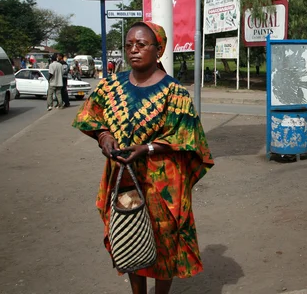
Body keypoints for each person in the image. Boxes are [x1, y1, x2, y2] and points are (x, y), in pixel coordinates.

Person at [72, 21, 214, 294]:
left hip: (162, 182)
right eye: (128, 45)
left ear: (158, 50)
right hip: (123, 175)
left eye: (141, 44)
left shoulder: (174, 92)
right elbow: (88, 115)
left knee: (163, 240)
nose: (133, 50)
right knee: (128, 235)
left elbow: (187, 136)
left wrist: (147, 148)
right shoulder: (110, 86)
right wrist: (104, 137)